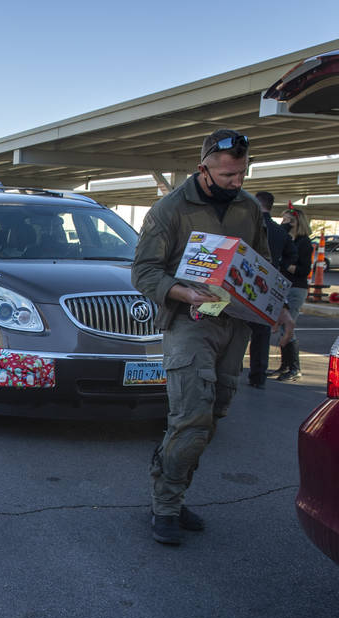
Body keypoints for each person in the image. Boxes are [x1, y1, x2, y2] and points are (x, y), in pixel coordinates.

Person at [131, 129, 293, 547]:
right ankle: (165, 505)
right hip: (189, 322)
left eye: (242, 173)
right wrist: (185, 292)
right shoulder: (170, 209)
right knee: (190, 416)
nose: (237, 182)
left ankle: (174, 485)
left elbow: (263, 268)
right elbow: (144, 271)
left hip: (233, 324)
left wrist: (281, 310)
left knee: (213, 415)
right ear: (203, 169)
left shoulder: (247, 209)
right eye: (227, 176)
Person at [246, 191, 297, 388]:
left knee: (238, 332)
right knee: (262, 334)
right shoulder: (280, 232)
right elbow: (292, 258)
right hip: (267, 289)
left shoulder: (249, 228)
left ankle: (231, 371)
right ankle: (258, 376)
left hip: (245, 284)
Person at [276, 206, 313, 382]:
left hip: (296, 288)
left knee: (288, 326)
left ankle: (294, 368)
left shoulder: (304, 243)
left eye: (286, 220)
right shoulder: (287, 240)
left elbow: (304, 270)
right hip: (285, 285)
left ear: (295, 222)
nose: (283, 223)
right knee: (281, 325)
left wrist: (285, 263)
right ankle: (285, 365)